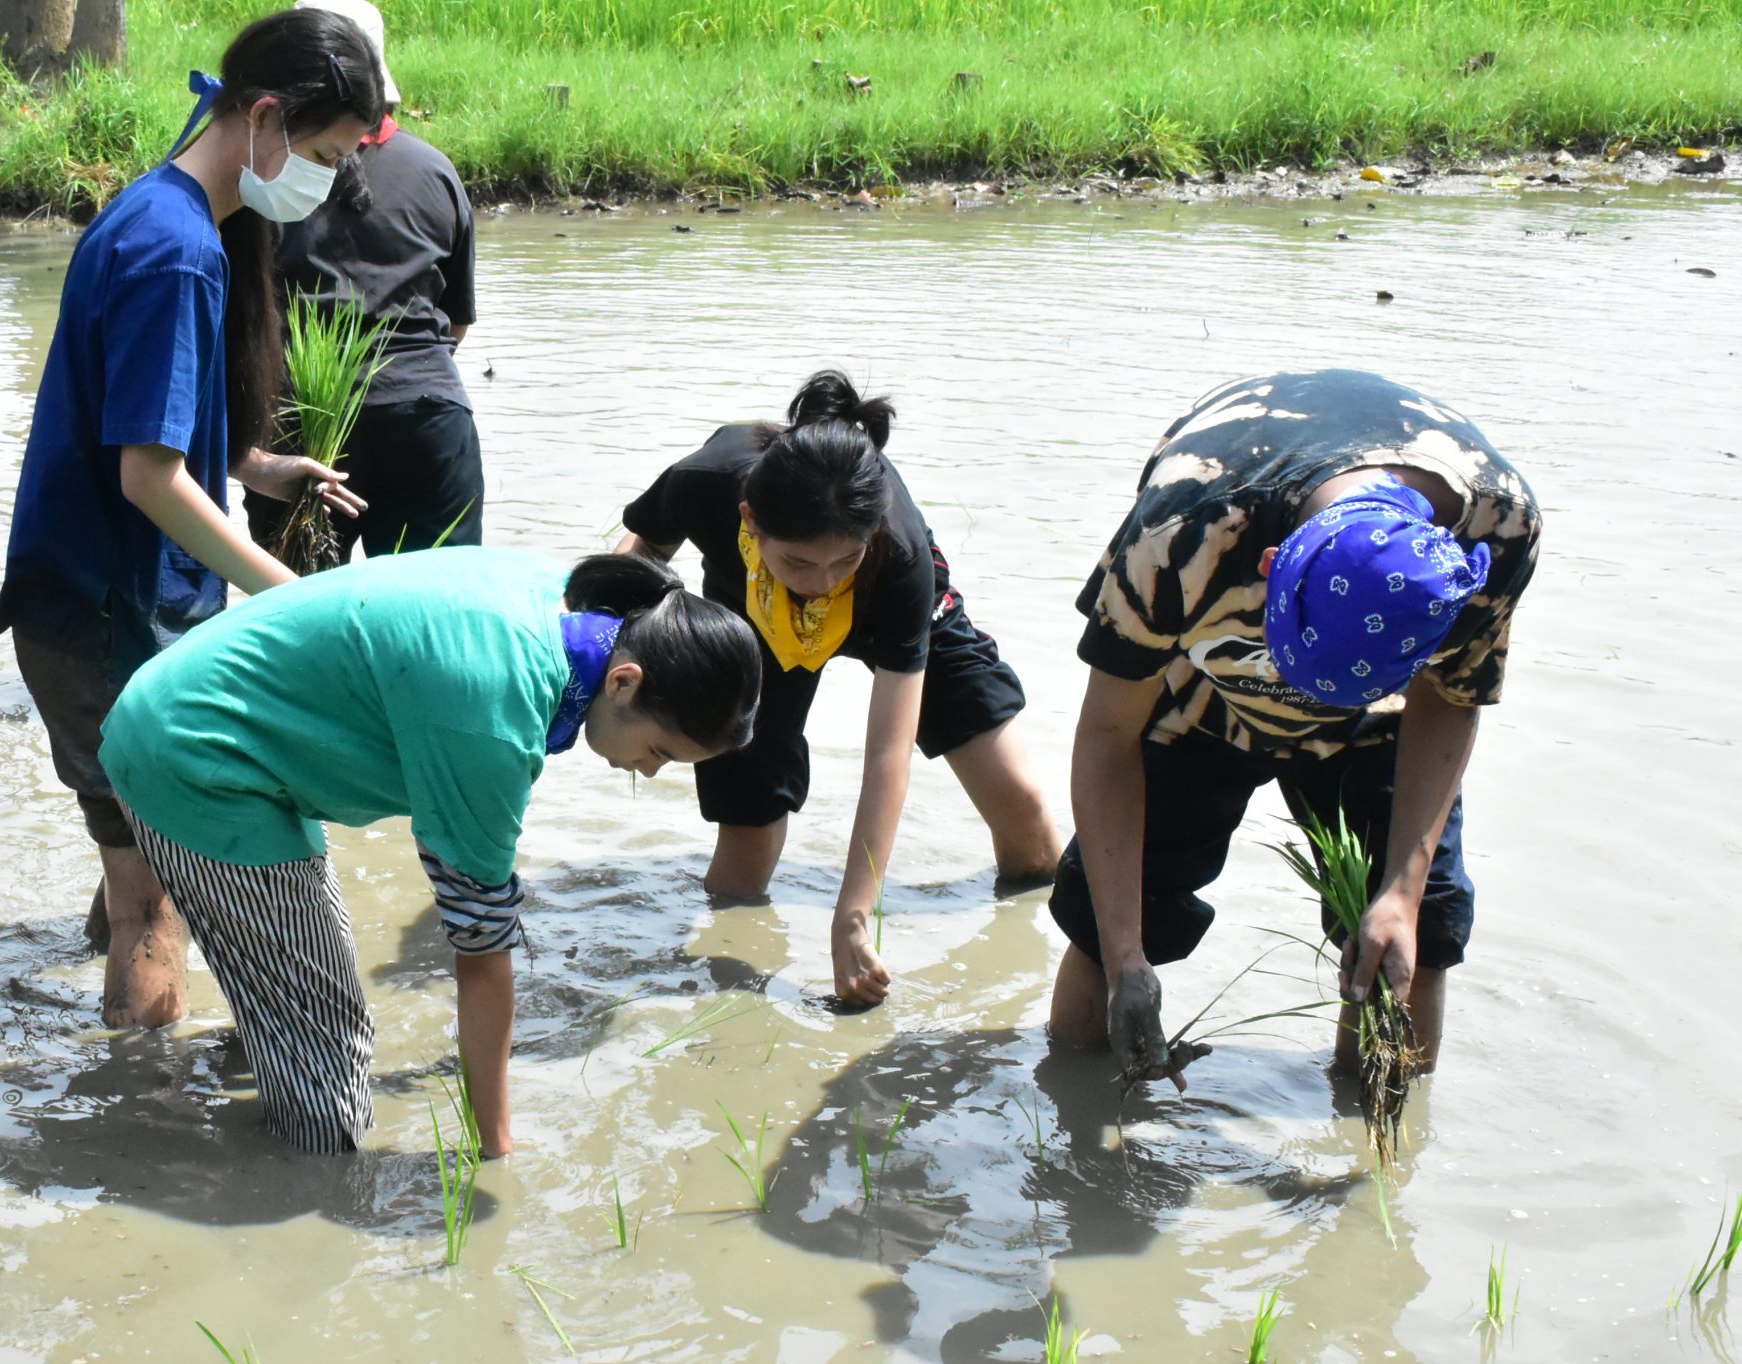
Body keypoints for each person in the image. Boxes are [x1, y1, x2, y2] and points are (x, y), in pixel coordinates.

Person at [98, 549, 760, 1155]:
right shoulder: (495, 715)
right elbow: (481, 951)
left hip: (200, 713)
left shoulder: (568, 601)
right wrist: (494, 1151)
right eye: (660, 751)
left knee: (311, 1002)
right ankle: (262, 1185)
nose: (649, 771)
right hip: (193, 755)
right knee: (333, 1089)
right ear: (623, 682)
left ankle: (182, 1091)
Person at [0, 7, 384, 1031]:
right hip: (105, 614)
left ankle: (114, 1065)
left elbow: (139, 425)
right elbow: (148, 480)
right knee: (155, 903)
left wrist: (255, 465)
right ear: (265, 117)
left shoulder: (163, 214)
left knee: (139, 860)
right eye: (326, 156)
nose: (326, 182)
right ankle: (142, 1109)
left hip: (93, 603)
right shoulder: (176, 252)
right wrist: (293, 599)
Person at [1048, 369, 1540, 1085]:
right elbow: (1106, 738)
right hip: (1204, 687)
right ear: (1273, 566)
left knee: (1418, 938)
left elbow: (1450, 696)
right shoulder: (1184, 532)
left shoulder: (1498, 529)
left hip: (1377, 726)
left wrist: (1401, 896)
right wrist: (1126, 957)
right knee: (1108, 928)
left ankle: (1379, 1127)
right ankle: (1074, 1104)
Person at [619, 371, 1063, 1007]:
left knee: (1026, 818)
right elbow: (638, 559)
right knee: (745, 837)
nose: (822, 583)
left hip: (893, 610)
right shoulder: (707, 480)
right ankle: (731, 1000)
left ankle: (1029, 956)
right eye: (799, 561)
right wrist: (606, 659)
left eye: (841, 561)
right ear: (750, 520)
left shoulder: (898, 552)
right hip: (754, 615)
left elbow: (887, 752)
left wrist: (853, 915)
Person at [245, 0, 482, 561]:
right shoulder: (436, 171)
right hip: (427, 418)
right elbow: (455, 323)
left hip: (302, 421)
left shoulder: (267, 176)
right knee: (428, 606)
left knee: (298, 605)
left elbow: (244, 314)